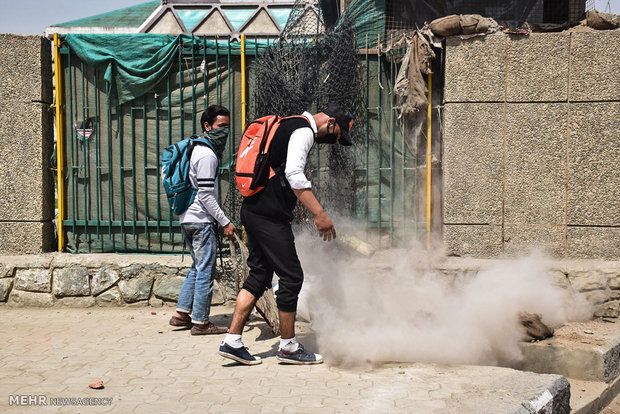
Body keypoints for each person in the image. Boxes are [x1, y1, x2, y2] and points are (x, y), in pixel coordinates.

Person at [219, 103, 354, 364]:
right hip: (269, 217)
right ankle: (289, 347)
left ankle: (232, 341)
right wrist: (319, 214)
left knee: (259, 275)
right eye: (335, 136)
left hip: (254, 210)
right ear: (331, 124)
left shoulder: (288, 123)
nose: (332, 142)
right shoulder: (303, 132)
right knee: (292, 277)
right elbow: (294, 174)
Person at [169, 105, 237, 335]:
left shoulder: (195, 148)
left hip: (187, 217)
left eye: (228, 126)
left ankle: (181, 314)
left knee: (197, 268)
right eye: (221, 126)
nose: (225, 131)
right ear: (207, 126)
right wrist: (225, 221)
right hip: (200, 220)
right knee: (206, 270)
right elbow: (206, 195)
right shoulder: (207, 154)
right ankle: (200, 322)